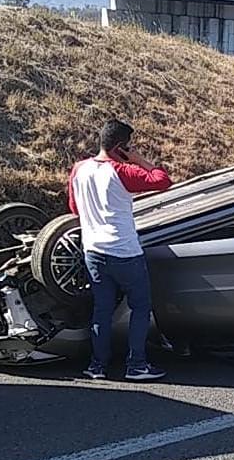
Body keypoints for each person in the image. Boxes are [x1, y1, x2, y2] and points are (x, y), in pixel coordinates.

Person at [68, 120, 173, 381]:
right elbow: (162, 181)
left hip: (93, 250)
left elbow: (74, 208)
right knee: (140, 306)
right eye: (130, 147)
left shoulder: (79, 169)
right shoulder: (122, 171)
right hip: (124, 250)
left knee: (102, 309)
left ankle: (97, 366)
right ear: (120, 147)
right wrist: (140, 159)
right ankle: (136, 364)